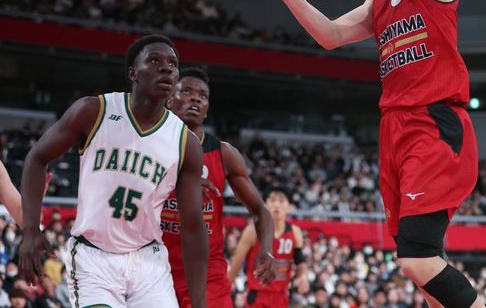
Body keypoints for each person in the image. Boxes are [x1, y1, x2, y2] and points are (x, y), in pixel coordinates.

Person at [245, 0, 481, 307]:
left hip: (433, 124)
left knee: (417, 260)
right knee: (420, 264)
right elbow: (331, 35)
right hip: (395, 127)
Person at [19, 34, 208, 308]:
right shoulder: (94, 111)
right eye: (155, 61)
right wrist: (30, 229)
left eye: (172, 64)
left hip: (148, 261)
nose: (166, 68)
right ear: (133, 73)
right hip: (94, 257)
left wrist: (199, 303)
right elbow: (37, 158)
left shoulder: (185, 142)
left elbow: (192, 225)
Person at [162, 67, 276, 307]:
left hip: (207, 270)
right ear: (169, 100)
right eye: (187, 92)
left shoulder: (224, 153)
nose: (195, 99)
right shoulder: (148, 147)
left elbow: (260, 210)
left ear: (206, 110)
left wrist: (266, 249)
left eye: (202, 96)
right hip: (154, 265)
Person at [227, 188, 307, 307]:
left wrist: (303, 276)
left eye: (281, 201)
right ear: (265, 204)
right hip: (257, 294)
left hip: (282, 295)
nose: (276, 205)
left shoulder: (295, 232)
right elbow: (237, 261)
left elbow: (300, 260)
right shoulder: (253, 231)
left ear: (289, 207)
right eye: (272, 200)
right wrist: (227, 288)